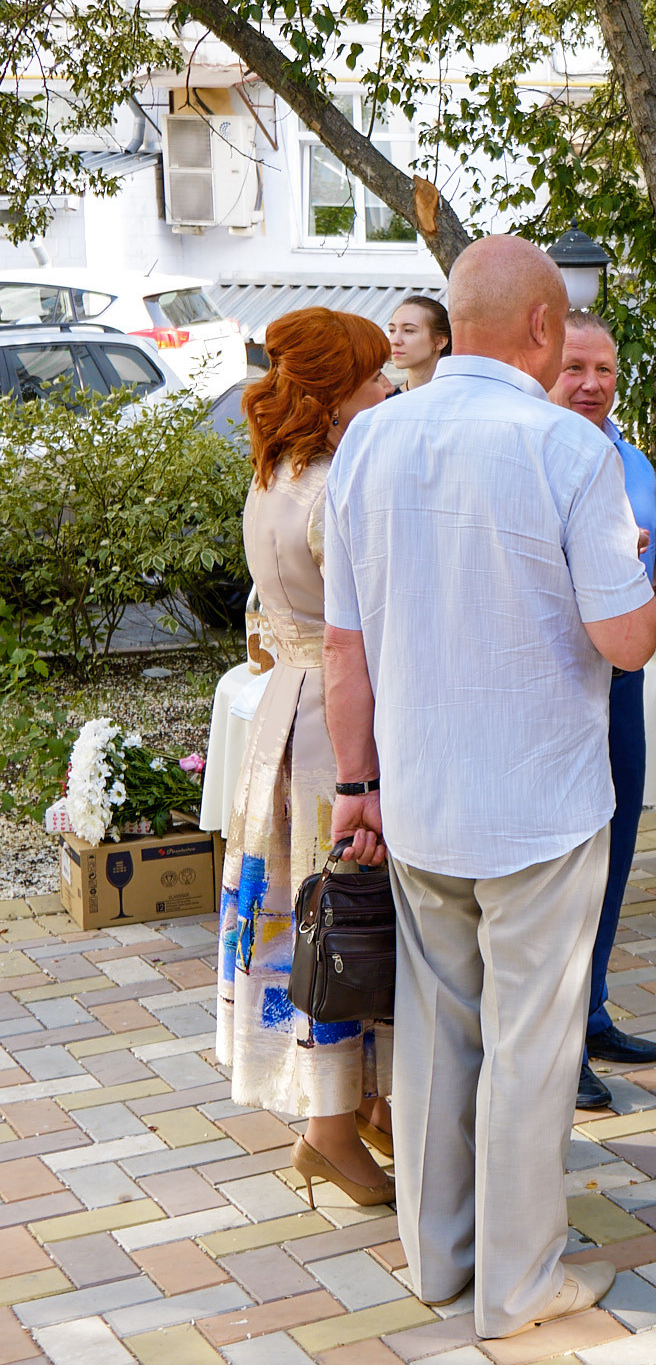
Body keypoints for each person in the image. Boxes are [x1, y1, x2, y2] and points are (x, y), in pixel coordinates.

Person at [322, 235, 656, 1339]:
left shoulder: (371, 438)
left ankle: (439, 1258)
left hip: (421, 791)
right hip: (541, 798)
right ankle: (517, 1283)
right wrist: (649, 587)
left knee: (437, 1038)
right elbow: (625, 642)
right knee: (533, 1046)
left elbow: (344, 646)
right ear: (542, 328)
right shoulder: (568, 448)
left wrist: (356, 782)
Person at [216, 307, 399, 1211]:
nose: (388, 389)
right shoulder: (335, 490)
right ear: (332, 397)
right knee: (344, 916)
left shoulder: (272, 477)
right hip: (334, 723)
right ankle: (329, 1127)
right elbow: (365, 629)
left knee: (304, 912)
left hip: (282, 718)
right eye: (372, 378)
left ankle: (358, 1103)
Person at [549, 311, 656, 1112]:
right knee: (564, 866)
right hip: (558, 684)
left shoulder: (631, 457)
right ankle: (558, 1042)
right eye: (575, 367)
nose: (592, 384)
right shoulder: (534, 453)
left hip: (625, 681)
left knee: (615, 847)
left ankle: (593, 1009)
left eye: (605, 369)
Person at [387, 295, 450, 391]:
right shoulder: (384, 399)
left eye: (409, 330)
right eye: (392, 330)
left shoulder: (464, 397)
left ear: (439, 342)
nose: (395, 341)